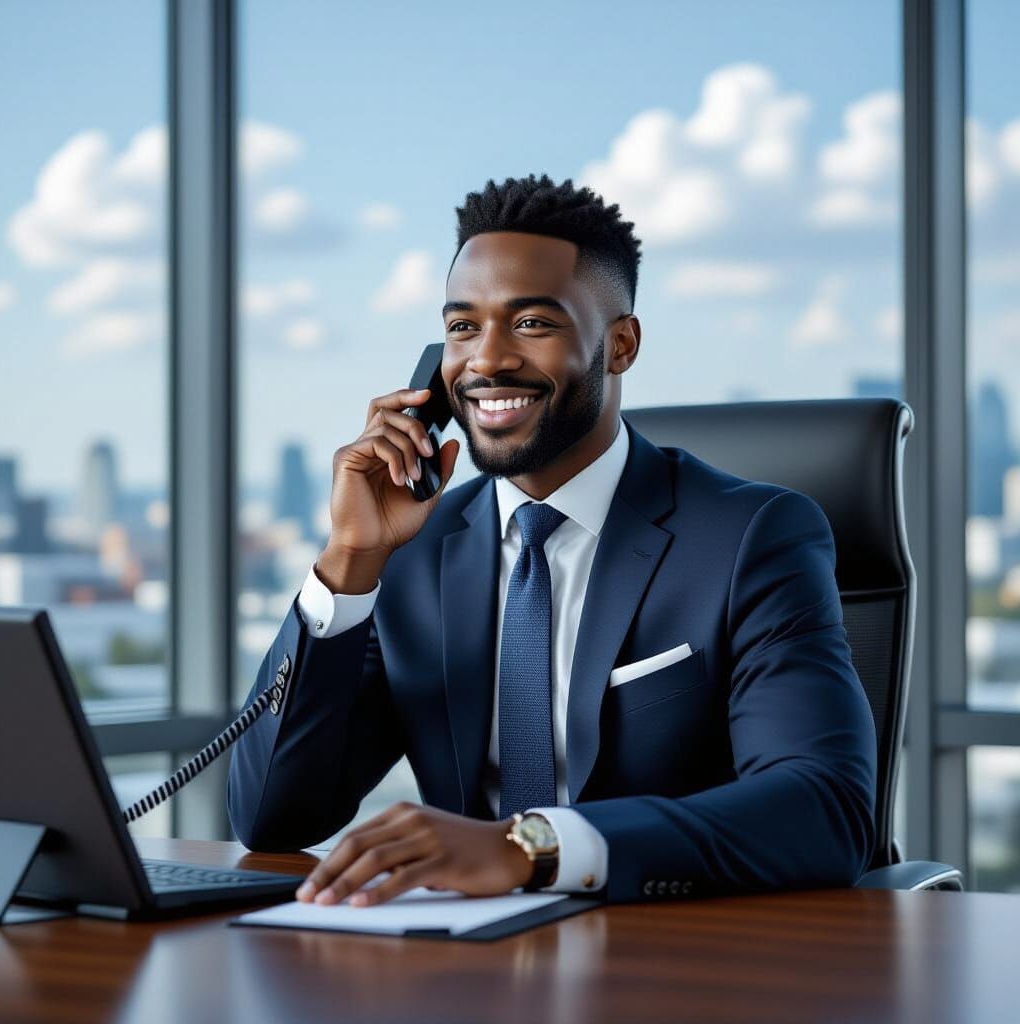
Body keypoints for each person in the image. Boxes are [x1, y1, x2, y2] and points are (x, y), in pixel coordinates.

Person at [227, 173, 876, 908]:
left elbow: (824, 808)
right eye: (463, 327)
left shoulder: (752, 537)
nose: (487, 360)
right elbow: (273, 818)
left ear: (620, 344)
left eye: (532, 323)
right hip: (462, 961)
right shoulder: (414, 553)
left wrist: (529, 848)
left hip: (675, 953)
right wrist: (349, 562)